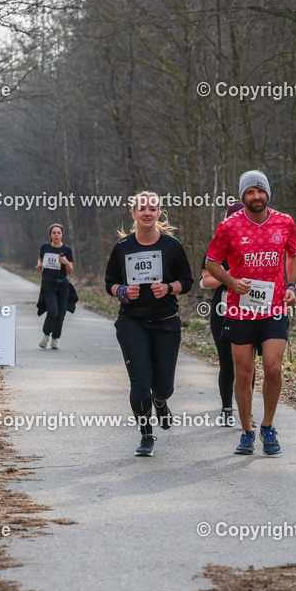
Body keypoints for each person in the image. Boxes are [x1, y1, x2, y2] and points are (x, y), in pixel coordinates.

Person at [205, 170, 296, 456]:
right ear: (242, 196)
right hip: (239, 310)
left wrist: (292, 285)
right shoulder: (229, 226)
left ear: (267, 193)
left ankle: (267, 426)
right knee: (244, 374)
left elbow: (294, 253)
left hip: (273, 308)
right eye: (249, 192)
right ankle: (247, 431)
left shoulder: (285, 222)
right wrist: (232, 281)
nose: (255, 196)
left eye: (260, 191)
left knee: (273, 368)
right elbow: (211, 262)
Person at [105, 191, 193, 457]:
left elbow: (186, 281)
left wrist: (168, 288)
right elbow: (109, 282)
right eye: (141, 208)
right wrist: (122, 292)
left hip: (166, 322)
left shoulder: (172, 246)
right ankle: (146, 435)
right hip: (133, 322)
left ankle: (161, 400)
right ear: (133, 213)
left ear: (158, 213)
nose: (147, 212)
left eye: (152, 209)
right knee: (140, 383)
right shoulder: (123, 248)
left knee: (163, 386)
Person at [199, 200, 256, 428]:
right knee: (227, 363)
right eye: (234, 219)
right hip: (223, 311)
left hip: (252, 309)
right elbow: (205, 281)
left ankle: (247, 411)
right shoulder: (218, 246)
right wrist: (230, 276)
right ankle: (226, 408)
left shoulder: (258, 246)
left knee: (248, 365)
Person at [35, 224, 74, 349]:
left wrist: (66, 262)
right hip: (48, 284)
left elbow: (70, 270)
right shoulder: (45, 247)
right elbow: (40, 258)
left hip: (63, 285)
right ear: (50, 235)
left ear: (62, 235)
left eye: (58, 233)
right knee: (53, 311)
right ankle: (46, 335)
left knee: (61, 314)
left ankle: (55, 339)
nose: (56, 235)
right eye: (54, 233)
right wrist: (39, 265)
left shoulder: (67, 250)